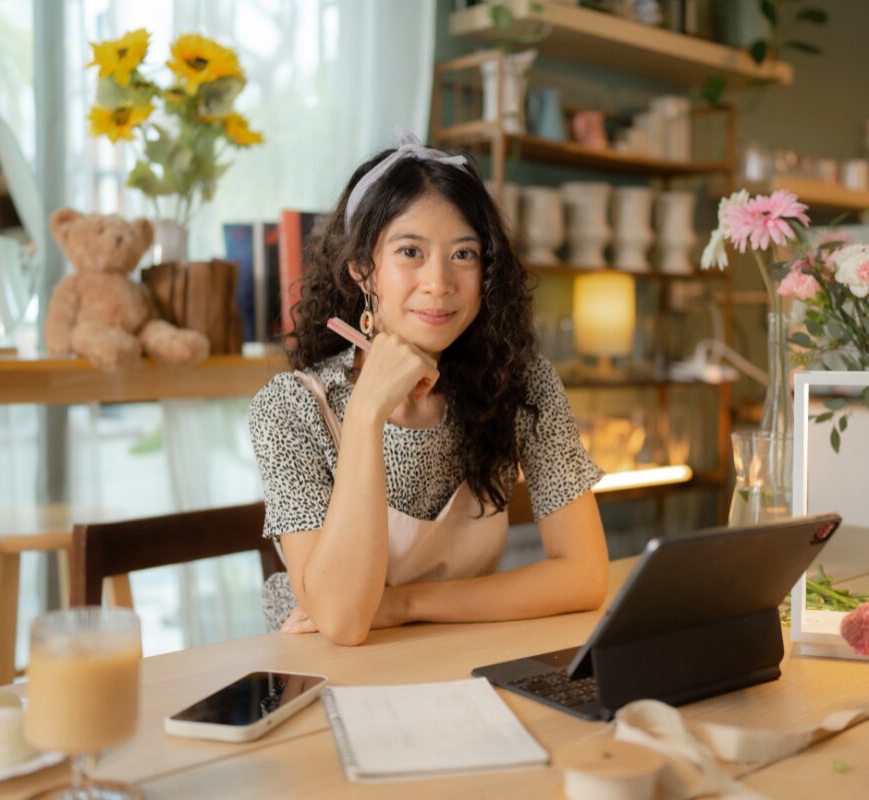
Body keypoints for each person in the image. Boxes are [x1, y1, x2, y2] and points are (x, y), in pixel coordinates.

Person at [248, 129, 609, 645]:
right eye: (410, 251)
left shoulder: (521, 383)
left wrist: (404, 605)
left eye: (464, 254)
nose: (439, 282)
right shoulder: (288, 409)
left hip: (462, 659)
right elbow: (345, 622)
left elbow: (584, 576)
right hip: (327, 681)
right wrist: (368, 410)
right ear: (361, 270)